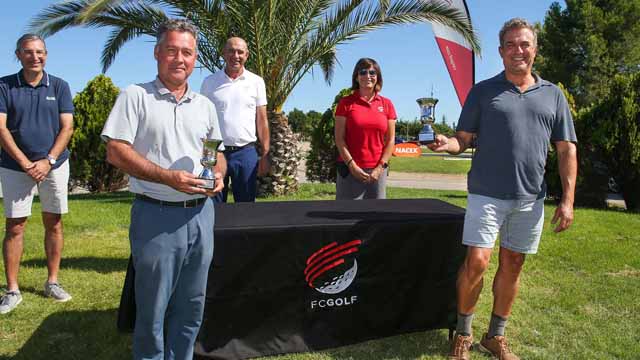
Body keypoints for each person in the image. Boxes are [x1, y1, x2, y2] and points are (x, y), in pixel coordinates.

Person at [428, 18, 577, 360]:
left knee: (513, 265)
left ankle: (495, 337)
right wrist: (445, 143)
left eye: (524, 44)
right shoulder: (482, 91)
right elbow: (462, 140)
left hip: (530, 199)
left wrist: (567, 200)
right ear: (500, 52)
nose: (518, 51)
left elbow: (566, 148)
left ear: (535, 50)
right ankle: (463, 335)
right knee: (477, 263)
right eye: (510, 45)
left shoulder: (553, 94)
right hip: (486, 194)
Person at [101, 19, 226, 359]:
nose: (179, 59)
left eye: (187, 52)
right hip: (155, 216)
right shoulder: (135, 96)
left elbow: (217, 156)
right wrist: (167, 177)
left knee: (191, 307)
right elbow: (116, 151)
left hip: (201, 216)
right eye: (171, 50)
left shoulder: (205, 105)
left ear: (196, 58)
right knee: (153, 311)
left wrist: (219, 175)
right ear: (157, 53)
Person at [0, 34, 74, 314]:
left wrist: (49, 160)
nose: (35, 57)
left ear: (46, 54)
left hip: (54, 165)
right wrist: (25, 163)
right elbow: (1, 128)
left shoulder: (59, 85)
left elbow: (66, 127)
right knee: (15, 226)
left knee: (53, 222)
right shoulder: (4, 86)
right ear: (18, 54)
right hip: (14, 166)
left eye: (40, 52)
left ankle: (52, 282)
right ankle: (12, 290)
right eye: (29, 52)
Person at [200, 37, 269, 203]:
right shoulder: (209, 82)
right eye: (231, 51)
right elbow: (201, 119)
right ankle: (214, 231)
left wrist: (266, 154)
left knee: (246, 208)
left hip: (246, 153)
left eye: (240, 52)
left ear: (247, 55)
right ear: (224, 53)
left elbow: (262, 119)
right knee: (212, 206)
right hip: (215, 152)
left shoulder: (256, 82)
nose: (235, 55)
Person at [334, 58, 397, 200]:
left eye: (372, 72)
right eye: (363, 72)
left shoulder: (387, 104)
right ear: (356, 77)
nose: (368, 76)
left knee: (376, 217)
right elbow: (339, 138)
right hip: (350, 170)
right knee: (345, 216)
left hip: (377, 172)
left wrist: (380, 168)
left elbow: (390, 139)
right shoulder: (345, 103)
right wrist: (352, 166)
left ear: (377, 77)